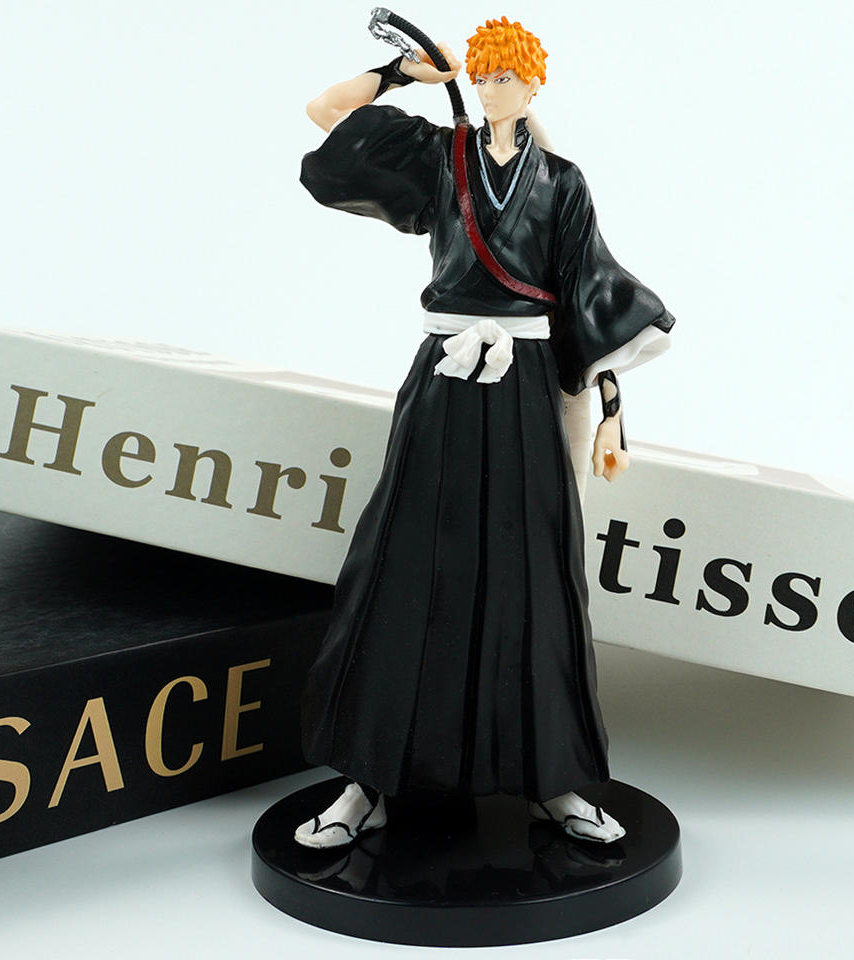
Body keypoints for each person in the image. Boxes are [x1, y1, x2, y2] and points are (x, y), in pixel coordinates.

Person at [294, 17, 674, 849]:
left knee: (536, 572)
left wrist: (611, 408)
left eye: (509, 77)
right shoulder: (441, 156)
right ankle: (367, 782)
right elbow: (326, 115)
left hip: (530, 384)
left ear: (535, 86)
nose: (494, 88)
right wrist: (400, 75)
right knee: (403, 560)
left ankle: (553, 780)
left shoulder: (562, 181)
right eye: (485, 75)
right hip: (444, 374)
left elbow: (586, 291)